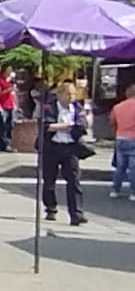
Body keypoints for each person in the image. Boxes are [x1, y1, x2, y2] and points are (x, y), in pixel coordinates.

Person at [41, 79, 89, 226]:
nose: (71, 97)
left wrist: (61, 126)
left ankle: (76, 213)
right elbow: (46, 126)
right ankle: (51, 208)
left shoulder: (77, 107)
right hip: (52, 147)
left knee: (74, 180)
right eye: (68, 94)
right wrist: (67, 125)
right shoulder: (50, 107)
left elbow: (82, 126)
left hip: (70, 148)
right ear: (60, 94)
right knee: (49, 180)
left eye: (73, 94)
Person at [109, 83, 135, 200]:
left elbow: (112, 123)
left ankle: (115, 190)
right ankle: (133, 192)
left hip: (120, 137)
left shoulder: (117, 107)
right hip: (133, 138)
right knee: (133, 167)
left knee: (120, 166)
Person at [0, 68, 16, 152]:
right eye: (8, 70)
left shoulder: (9, 82)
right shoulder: (0, 80)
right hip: (3, 106)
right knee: (2, 127)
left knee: (9, 127)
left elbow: (12, 95)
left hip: (10, 106)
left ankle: (7, 144)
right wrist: (9, 89)